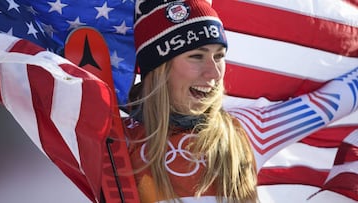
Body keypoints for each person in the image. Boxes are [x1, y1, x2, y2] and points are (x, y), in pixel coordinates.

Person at [123, 0, 358, 202]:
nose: (214, 73)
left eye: (219, 56)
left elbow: (334, 101)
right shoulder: (115, 139)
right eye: (196, 56)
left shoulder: (249, 130)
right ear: (159, 68)